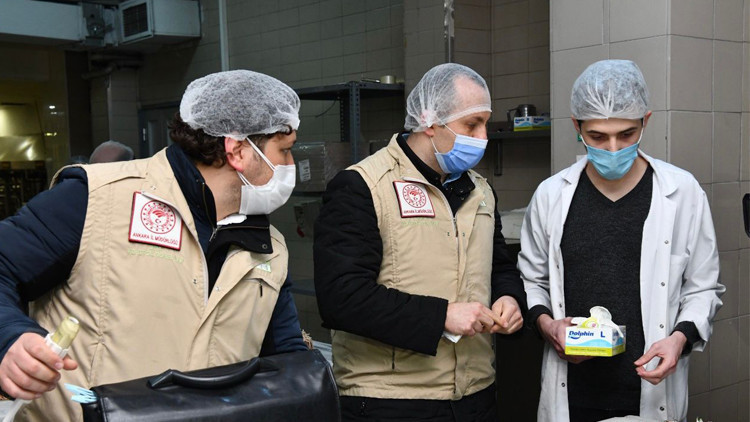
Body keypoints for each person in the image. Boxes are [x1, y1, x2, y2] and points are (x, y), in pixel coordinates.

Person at [0, 69, 307, 421]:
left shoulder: (269, 247)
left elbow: (285, 358)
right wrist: (8, 338)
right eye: (285, 150)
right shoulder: (96, 199)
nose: (290, 165)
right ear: (238, 150)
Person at [313, 63, 527, 422]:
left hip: (475, 393)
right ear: (429, 122)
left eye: (485, 124)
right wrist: (442, 316)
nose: (483, 137)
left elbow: (498, 266)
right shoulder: (364, 186)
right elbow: (342, 297)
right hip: (391, 400)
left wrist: (510, 298)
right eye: (471, 125)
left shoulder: (480, 191)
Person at [519, 60, 725, 422]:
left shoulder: (682, 192)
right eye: (598, 137)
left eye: (627, 134)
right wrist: (547, 326)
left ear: (645, 121)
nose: (613, 149)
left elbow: (703, 287)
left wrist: (679, 339)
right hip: (573, 394)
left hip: (650, 390)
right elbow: (533, 280)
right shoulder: (551, 195)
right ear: (577, 127)